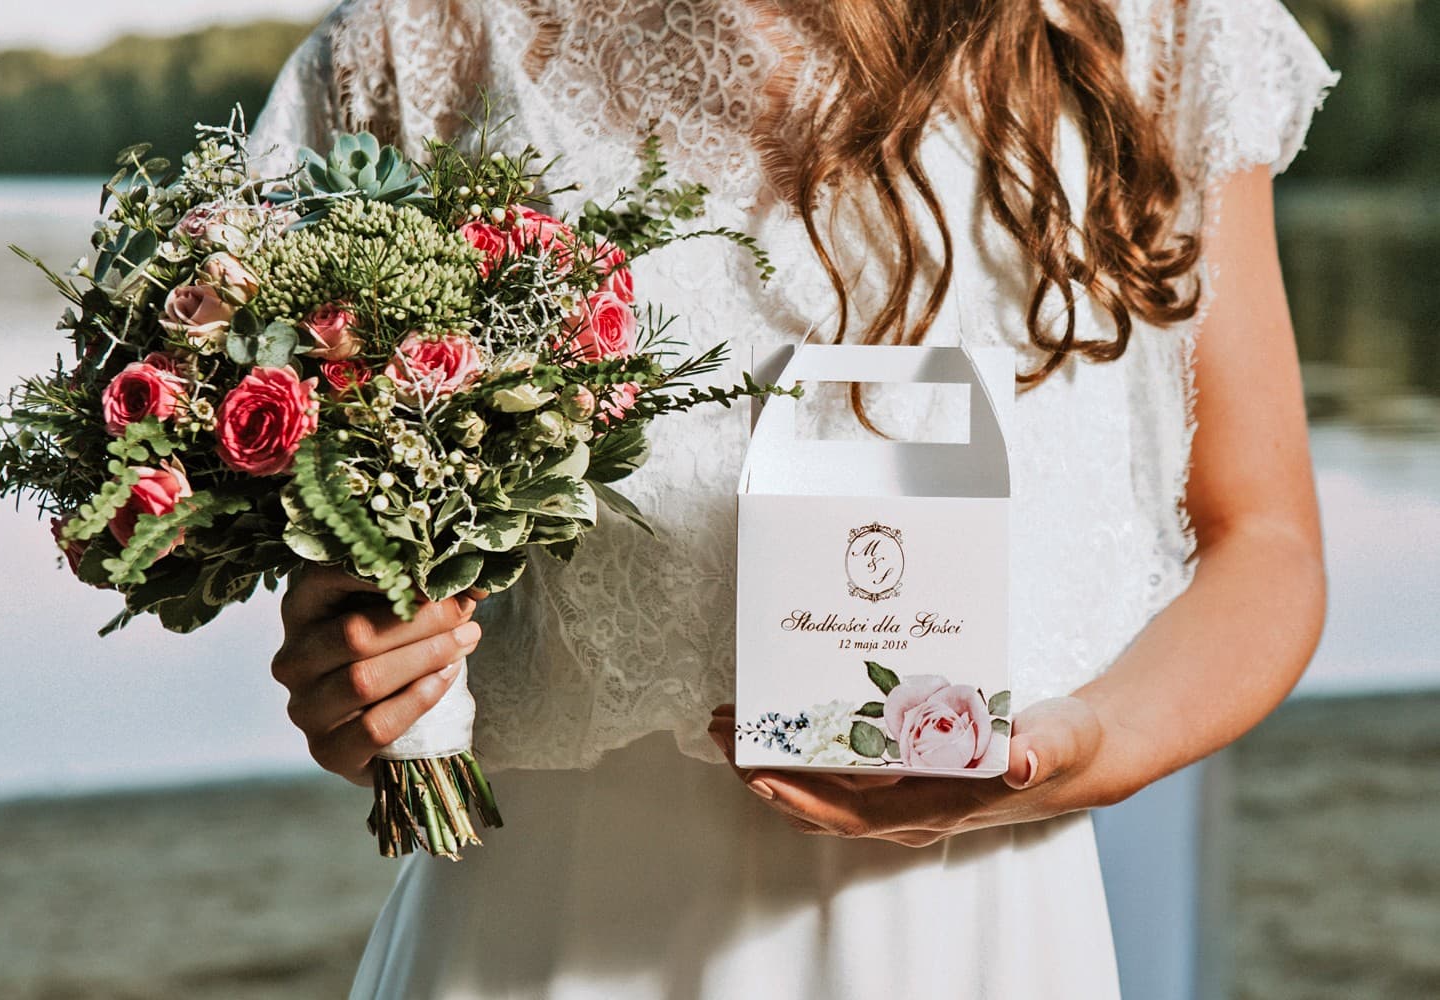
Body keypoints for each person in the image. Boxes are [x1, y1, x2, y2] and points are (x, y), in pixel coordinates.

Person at [255, 1, 1336, 996]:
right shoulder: (422, 38)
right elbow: (361, 575)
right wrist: (365, 686)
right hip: (534, 937)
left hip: (973, 940)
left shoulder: (1164, 26)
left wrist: (1090, 747)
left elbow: (1266, 538)